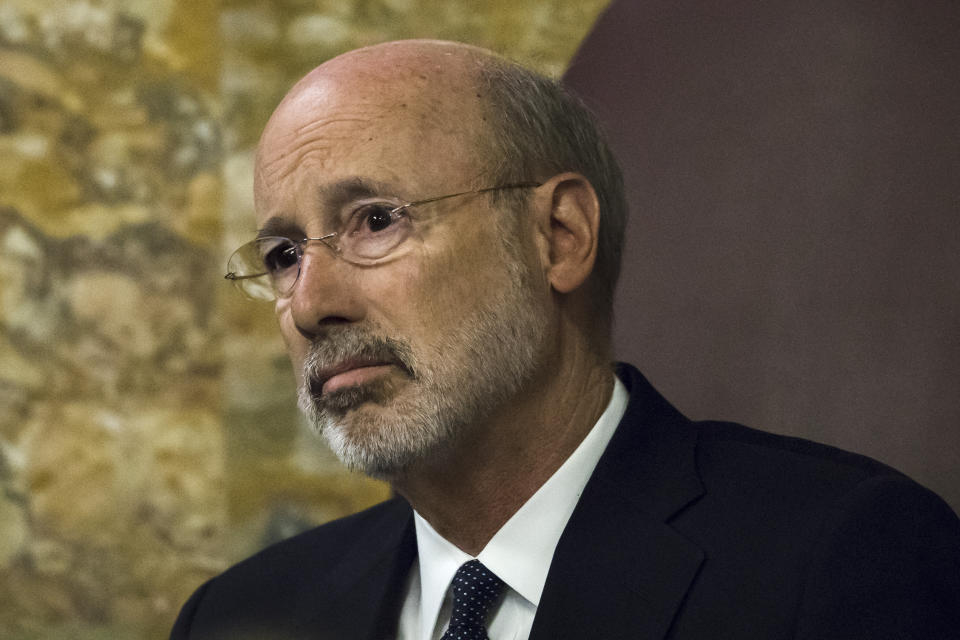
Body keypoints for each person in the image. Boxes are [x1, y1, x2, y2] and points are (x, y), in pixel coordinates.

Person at [171, 40, 960, 640]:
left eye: (377, 220)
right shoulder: (240, 616)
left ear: (558, 236)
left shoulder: (841, 559)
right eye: (282, 256)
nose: (311, 305)